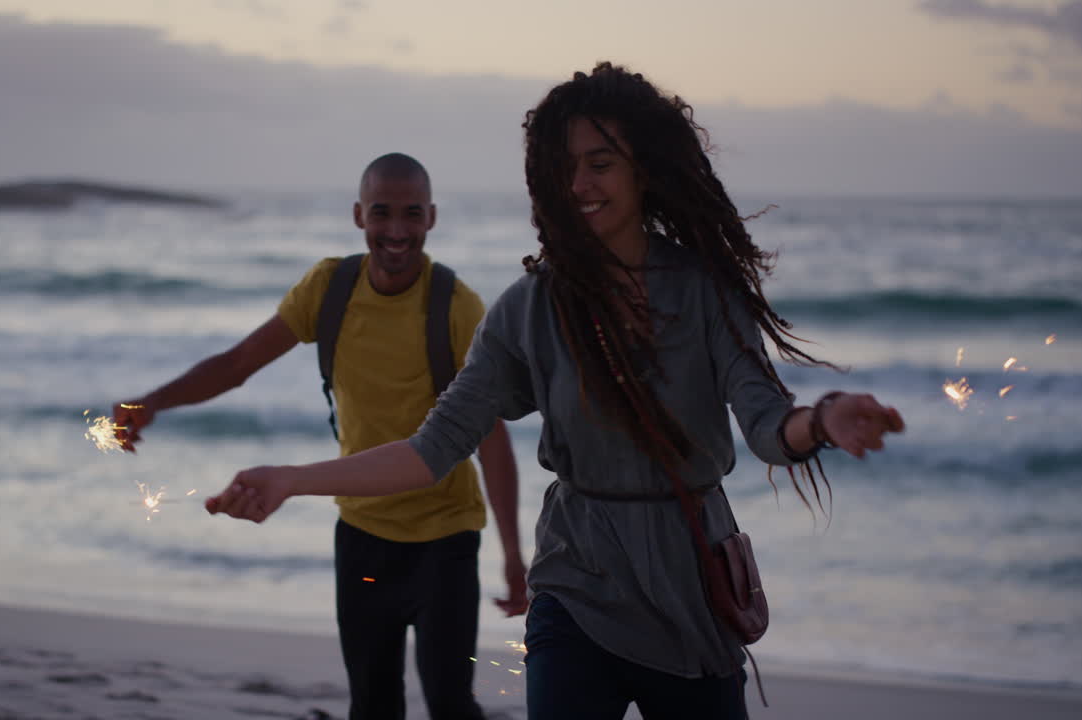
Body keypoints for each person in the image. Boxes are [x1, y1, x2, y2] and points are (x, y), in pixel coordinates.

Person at [205, 64, 906, 720]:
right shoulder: (528, 309)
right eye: (562, 168)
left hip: (690, 588)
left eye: (599, 164)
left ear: (644, 169)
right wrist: (291, 479)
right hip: (575, 583)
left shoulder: (703, 292)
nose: (579, 185)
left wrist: (822, 419)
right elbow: (433, 450)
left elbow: (765, 426)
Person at [115, 153, 525, 720]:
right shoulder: (328, 290)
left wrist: (513, 554)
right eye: (382, 213)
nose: (398, 231)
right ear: (359, 215)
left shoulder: (456, 307)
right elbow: (237, 364)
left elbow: (491, 439)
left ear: (432, 217)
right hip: (361, 535)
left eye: (412, 214)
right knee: (372, 704)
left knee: (451, 703)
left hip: (446, 541)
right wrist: (152, 403)